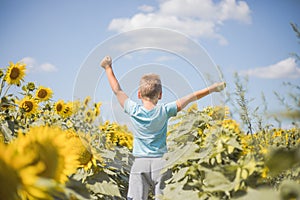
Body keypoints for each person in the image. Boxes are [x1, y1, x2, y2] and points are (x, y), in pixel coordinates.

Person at [100, 56, 226, 200]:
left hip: (140, 162)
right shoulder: (165, 110)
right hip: (161, 163)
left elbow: (117, 90)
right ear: (160, 95)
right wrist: (213, 88)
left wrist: (108, 67)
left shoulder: (133, 109)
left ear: (139, 94)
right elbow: (191, 97)